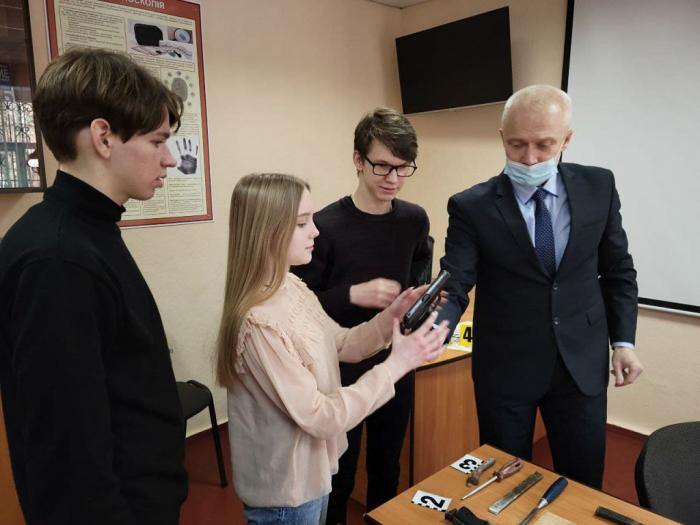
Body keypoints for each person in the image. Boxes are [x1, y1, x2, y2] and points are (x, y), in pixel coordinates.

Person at [0, 48, 187, 524]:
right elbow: (69, 462)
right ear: (103, 137)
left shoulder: (85, 232)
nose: (169, 159)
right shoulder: (58, 260)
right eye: (158, 140)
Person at [437, 85, 643, 489]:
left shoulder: (598, 187)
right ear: (502, 137)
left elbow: (618, 270)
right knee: (502, 480)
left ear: (566, 139)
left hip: (580, 364)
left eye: (544, 145)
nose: (529, 158)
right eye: (516, 145)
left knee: (582, 483)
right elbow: (456, 281)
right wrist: (433, 329)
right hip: (506, 368)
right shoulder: (471, 206)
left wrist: (624, 341)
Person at [216, 173, 448, 525]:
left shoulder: (291, 286)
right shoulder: (259, 324)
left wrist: (392, 316)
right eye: (302, 223)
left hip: (315, 476)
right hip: (287, 495)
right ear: (267, 232)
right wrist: (398, 364)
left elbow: (340, 343)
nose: (315, 232)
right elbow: (322, 416)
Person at [292, 107, 431, 524]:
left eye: (403, 168)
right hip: (339, 366)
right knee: (340, 472)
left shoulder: (414, 220)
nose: (393, 179)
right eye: (382, 166)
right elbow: (300, 306)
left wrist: (420, 300)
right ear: (358, 159)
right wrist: (352, 294)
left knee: (387, 466)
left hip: (395, 361)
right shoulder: (324, 226)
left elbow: (419, 270)